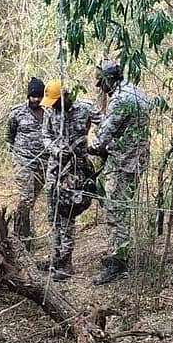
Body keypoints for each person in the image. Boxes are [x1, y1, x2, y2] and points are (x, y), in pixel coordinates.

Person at [88, 60, 151, 285]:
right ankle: (118, 253)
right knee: (120, 208)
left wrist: (90, 148)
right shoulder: (137, 92)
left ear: (109, 79)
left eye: (101, 82)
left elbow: (104, 135)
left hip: (124, 162)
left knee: (116, 210)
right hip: (137, 159)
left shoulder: (120, 100)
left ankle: (118, 263)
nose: (100, 86)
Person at [41, 80, 101, 280]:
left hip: (76, 170)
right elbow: (45, 136)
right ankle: (56, 256)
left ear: (66, 96)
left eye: (56, 101)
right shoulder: (50, 111)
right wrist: (56, 150)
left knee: (67, 213)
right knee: (53, 214)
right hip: (55, 169)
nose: (53, 106)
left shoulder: (85, 107)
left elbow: (106, 125)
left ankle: (66, 261)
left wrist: (95, 146)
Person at [6, 77, 47, 243]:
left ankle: (26, 233)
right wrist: (17, 154)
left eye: (39, 96)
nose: (35, 99)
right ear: (28, 95)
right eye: (33, 96)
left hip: (44, 162)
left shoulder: (50, 111)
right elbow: (10, 135)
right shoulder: (17, 112)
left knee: (33, 198)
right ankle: (21, 237)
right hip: (23, 161)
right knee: (26, 199)